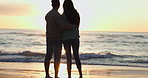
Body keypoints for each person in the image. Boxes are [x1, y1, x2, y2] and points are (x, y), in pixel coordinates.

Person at [44, 0, 78, 78]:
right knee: (57, 57)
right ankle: (56, 75)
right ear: (58, 5)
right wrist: (73, 26)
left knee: (48, 55)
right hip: (56, 38)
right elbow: (63, 25)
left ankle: (47, 74)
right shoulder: (57, 15)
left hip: (49, 37)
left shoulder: (48, 14)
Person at [62, 0, 83, 78]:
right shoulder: (76, 14)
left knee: (68, 57)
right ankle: (80, 74)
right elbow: (77, 26)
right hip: (75, 37)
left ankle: (69, 75)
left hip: (66, 38)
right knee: (76, 56)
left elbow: (62, 27)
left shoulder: (63, 16)